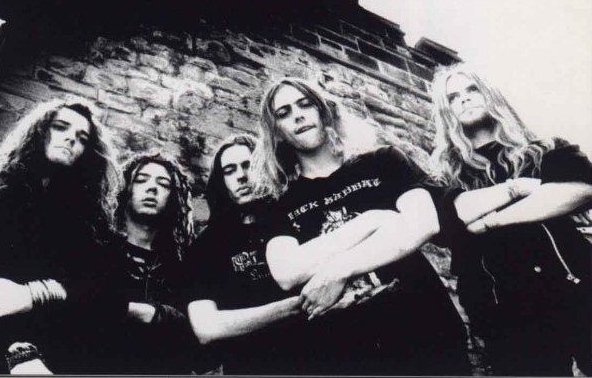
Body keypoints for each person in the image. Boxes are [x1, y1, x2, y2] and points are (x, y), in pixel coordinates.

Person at [250, 77, 470, 376]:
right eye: (284, 113)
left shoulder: (383, 161)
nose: (298, 115)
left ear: (324, 111)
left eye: (305, 104)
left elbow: (423, 223)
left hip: (428, 330)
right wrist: (373, 220)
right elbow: (287, 273)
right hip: (350, 351)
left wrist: (338, 269)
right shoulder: (278, 203)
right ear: (276, 130)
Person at [0, 99, 126, 373]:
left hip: (55, 362)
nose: (71, 138)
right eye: (60, 127)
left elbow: (109, 297)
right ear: (38, 132)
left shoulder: (90, 227)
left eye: (83, 138)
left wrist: (34, 293)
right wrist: (15, 351)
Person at [430, 64, 592, 376]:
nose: (464, 99)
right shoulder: (444, 178)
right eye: (453, 97)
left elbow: (581, 189)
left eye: (472, 89)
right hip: (504, 307)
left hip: (576, 280)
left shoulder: (546, 149)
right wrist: (521, 191)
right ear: (445, 110)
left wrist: (489, 221)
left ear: (490, 94)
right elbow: (448, 222)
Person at [185, 135, 309, 374]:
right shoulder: (207, 246)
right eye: (229, 171)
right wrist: (296, 306)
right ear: (221, 182)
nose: (241, 176)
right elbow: (206, 328)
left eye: (248, 165)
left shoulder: (296, 219)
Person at [88, 151, 199, 374]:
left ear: (173, 197)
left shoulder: (183, 264)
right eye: (141, 180)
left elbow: (193, 338)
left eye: (163, 184)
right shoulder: (96, 248)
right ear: (125, 188)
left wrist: (156, 314)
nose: (152, 188)